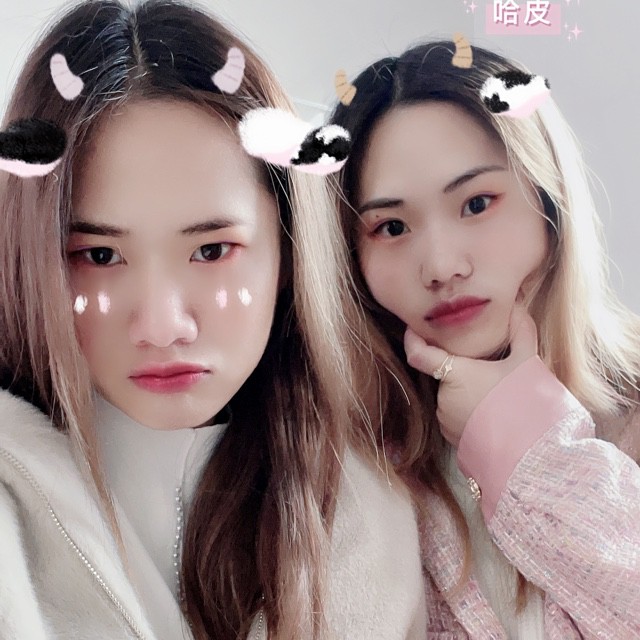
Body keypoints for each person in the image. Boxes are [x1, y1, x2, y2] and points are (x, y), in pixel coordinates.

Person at [0, 2, 428, 639]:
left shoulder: (372, 516)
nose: (162, 326)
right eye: (98, 256)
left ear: (289, 250)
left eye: (211, 250)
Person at [330, 41, 640, 638]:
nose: (441, 266)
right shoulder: (355, 468)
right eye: (391, 227)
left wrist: (528, 447)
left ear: (549, 202)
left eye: (477, 203)